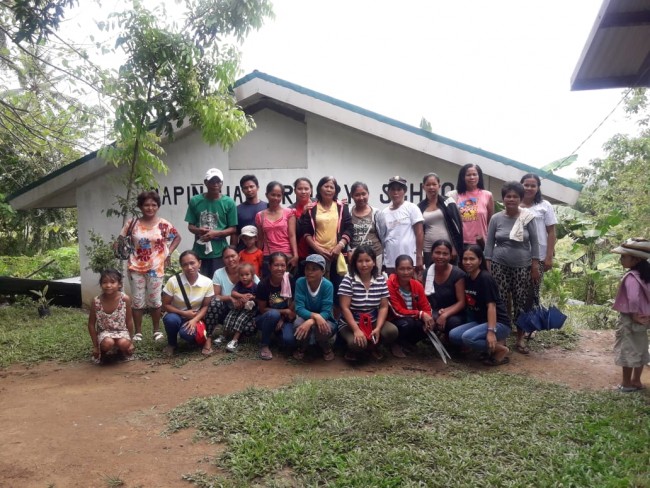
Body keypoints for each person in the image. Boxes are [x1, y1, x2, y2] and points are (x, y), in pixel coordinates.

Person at [484, 181, 540, 355]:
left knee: (521, 302)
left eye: (515, 196)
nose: (511, 199)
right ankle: (502, 337)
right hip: (499, 265)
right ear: (503, 198)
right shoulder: (496, 218)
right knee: (500, 301)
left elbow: (535, 243)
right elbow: (489, 244)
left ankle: (520, 338)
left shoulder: (527, 217)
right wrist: (488, 266)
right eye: (508, 196)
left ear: (520, 198)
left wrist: (535, 265)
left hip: (522, 266)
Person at [118, 190, 180, 342]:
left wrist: (168, 253)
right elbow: (120, 239)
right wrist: (119, 246)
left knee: (155, 300)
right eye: (146, 205)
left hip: (156, 267)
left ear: (158, 206)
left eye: (154, 205)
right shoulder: (132, 223)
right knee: (137, 300)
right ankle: (138, 332)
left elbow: (177, 237)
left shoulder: (164, 224)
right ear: (140, 206)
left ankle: (156, 330)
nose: (150, 208)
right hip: (135, 267)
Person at [449, 246, 511, 366]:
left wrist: (491, 331)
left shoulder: (485, 278)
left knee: (468, 338)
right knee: (454, 335)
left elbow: (491, 307)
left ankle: (499, 349)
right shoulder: (467, 278)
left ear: (480, 260)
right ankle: (489, 348)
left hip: (499, 323)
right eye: (465, 259)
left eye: (472, 259)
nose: (468, 262)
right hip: (481, 321)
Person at [338, 245, 399, 361]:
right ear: (355, 263)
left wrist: (378, 327)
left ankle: (373, 347)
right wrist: (356, 330)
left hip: (372, 320)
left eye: (367, 260)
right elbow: (344, 308)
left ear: (374, 262)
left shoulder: (380, 279)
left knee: (391, 331)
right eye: (360, 261)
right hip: (351, 323)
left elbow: (383, 306)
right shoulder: (348, 280)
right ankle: (353, 349)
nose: (364, 264)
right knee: (357, 344)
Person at [298, 176, 353, 295]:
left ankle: (336, 313)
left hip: (336, 255)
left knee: (338, 289)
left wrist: (339, 246)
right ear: (319, 189)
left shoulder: (342, 207)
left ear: (335, 190)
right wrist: (318, 249)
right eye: (326, 186)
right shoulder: (311, 208)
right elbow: (305, 231)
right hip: (316, 255)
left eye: (331, 187)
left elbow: (349, 229)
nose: (328, 189)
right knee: (318, 289)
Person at [611, 238, 650, 392]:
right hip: (644, 318)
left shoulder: (631, 277)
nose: (621, 259)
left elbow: (633, 298)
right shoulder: (646, 275)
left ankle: (626, 383)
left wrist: (634, 314)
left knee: (627, 349)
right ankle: (637, 381)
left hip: (630, 318)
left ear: (635, 259)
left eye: (624, 257)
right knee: (640, 348)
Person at [204, 246, 260, 353]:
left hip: (246, 310)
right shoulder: (218, 273)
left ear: (239, 256)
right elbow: (215, 296)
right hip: (227, 309)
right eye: (226, 257)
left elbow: (260, 295)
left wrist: (249, 299)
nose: (230, 259)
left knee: (249, 329)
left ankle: (235, 338)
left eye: (233, 256)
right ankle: (212, 336)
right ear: (223, 259)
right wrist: (231, 298)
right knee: (215, 302)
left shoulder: (248, 271)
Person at [185, 168, 237, 278]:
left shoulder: (229, 202)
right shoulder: (195, 200)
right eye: (212, 181)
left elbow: (233, 228)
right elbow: (190, 226)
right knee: (201, 284)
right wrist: (199, 230)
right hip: (199, 251)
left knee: (217, 283)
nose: (215, 184)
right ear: (205, 183)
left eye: (218, 182)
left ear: (222, 183)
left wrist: (216, 234)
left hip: (220, 252)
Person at [161, 251, 214, 356]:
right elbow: (165, 305)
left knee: (187, 334)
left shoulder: (207, 282)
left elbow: (205, 306)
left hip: (195, 317)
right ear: (181, 266)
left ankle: (190, 336)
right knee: (170, 320)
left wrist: (194, 320)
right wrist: (184, 313)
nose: (189, 267)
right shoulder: (173, 281)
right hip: (176, 315)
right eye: (185, 264)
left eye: (192, 263)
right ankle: (172, 344)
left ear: (199, 263)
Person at [520, 173, 558, 305]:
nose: (529, 188)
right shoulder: (514, 204)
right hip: (518, 255)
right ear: (521, 186)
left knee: (533, 292)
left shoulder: (544, 205)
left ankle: (530, 323)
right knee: (517, 292)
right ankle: (516, 323)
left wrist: (549, 257)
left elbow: (551, 232)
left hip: (539, 256)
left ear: (538, 188)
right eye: (526, 185)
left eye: (533, 185)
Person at [387, 255, 434, 357]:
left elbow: (425, 306)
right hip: (395, 319)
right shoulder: (389, 284)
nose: (406, 272)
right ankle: (395, 343)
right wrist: (420, 314)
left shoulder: (417, 285)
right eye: (402, 269)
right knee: (407, 323)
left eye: (409, 268)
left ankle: (408, 343)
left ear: (413, 269)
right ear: (396, 270)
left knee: (428, 324)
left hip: (412, 318)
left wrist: (428, 318)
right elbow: (397, 311)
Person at [376, 176, 424, 275]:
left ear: (404, 191)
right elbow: (383, 238)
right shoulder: (384, 212)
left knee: (412, 288)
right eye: (392, 189)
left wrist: (419, 257)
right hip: (390, 261)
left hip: (410, 260)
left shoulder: (412, 208)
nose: (395, 192)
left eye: (399, 189)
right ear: (388, 192)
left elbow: (419, 233)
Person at [292, 254, 337, 361]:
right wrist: (315, 317)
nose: (309, 272)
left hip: (325, 318)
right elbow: (299, 308)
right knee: (298, 324)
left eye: (314, 269)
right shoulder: (300, 282)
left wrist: (311, 321)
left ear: (323, 271)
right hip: (307, 316)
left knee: (323, 328)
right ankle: (303, 347)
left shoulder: (328, 285)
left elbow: (326, 312)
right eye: (307, 268)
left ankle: (325, 347)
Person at [87, 269, 135, 364]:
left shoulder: (125, 299)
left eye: (112, 282)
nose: (108, 285)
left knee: (124, 343)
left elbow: (129, 321)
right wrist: (95, 346)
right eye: (104, 282)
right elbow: (91, 324)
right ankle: (104, 354)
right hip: (105, 333)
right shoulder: (96, 301)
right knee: (108, 343)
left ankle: (120, 352)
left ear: (119, 284)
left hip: (121, 331)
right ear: (101, 285)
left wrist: (131, 342)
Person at [255, 252, 296, 360]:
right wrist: (284, 312)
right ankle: (265, 344)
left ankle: (275, 334)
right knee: (273, 315)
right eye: (276, 265)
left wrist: (282, 318)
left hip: (284, 319)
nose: (279, 268)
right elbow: (263, 310)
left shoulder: (290, 280)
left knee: (289, 341)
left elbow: (294, 301)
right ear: (269, 266)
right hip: (265, 318)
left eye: (282, 265)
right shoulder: (263, 284)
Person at [423, 239, 466, 342]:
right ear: (432, 254)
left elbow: (462, 302)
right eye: (437, 252)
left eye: (445, 254)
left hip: (454, 312)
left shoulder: (458, 274)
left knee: (453, 323)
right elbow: (424, 299)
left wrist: (445, 314)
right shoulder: (427, 273)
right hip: (434, 310)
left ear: (451, 256)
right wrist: (427, 315)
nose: (441, 256)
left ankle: (449, 339)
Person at [418, 173, 463, 265]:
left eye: (434, 184)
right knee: (431, 276)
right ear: (423, 187)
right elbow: (419, 231)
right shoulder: (419, 207)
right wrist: (420, 253)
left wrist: (455, 247)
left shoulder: (448, 202)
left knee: (451, 275)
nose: (431, 187)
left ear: (439, 186)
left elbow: (458, 225)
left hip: (448, 248)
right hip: (428, 249)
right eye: (428, 185)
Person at [256, 181, 299, 275]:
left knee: (287, 287)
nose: (276, 198)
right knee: (270, 286)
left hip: (286, 256)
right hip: (268, 257)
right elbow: (260, 239)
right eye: (273, 195)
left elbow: (292, 235)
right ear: (267, 195)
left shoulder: (289, 213)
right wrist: (257, 256)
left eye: (279, 195)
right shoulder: (260, 215)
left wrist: (295, 255)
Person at [449, 163, 494, 246]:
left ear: (479, 176)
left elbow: (490, 222)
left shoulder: (487, 195)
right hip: (461, 243)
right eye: (468, 175)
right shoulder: (455, 195)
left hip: (481, 243)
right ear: (463, 177)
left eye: (474, 174)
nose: (472, 177)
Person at [222, 263, 259, 353]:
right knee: (229, 317)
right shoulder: (239, 284)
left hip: (249, 309)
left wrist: (252, 297)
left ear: (252, 275)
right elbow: (233, 293)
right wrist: (242, 296)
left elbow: (258, 297)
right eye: (242, 275)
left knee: (240, 320)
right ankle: (224, 335)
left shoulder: (255, 286)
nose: (244, 277)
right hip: (238, 306)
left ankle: (234, 340)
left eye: (247, 274)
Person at [349, 181, 384, 271]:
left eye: (364, 194)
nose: (361, 198)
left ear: (368, 194)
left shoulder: (376, 213)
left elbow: (383, 237)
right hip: (355, 257)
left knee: (375, 282)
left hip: (375, 256)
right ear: (352, 195)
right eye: (357, 195)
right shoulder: (348, 213)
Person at [232, 174, 267, 251]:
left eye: (251, 186)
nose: (249, 190)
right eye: (245, 188)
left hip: (264, 252)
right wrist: (233, 251)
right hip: (243, 252)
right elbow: (235, 233)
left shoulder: (267, 207)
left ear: (257, 187)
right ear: (242, 190)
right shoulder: (237, 209)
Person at [289, 177, 315, 276]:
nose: (303, 192)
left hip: (319, 251)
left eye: (306, 189)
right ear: (295, 191)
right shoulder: (291, 209)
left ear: (311, 190)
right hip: (301, 254)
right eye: (300, 189)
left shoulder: (319, 203)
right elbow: (295, 233)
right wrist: (304, 214)